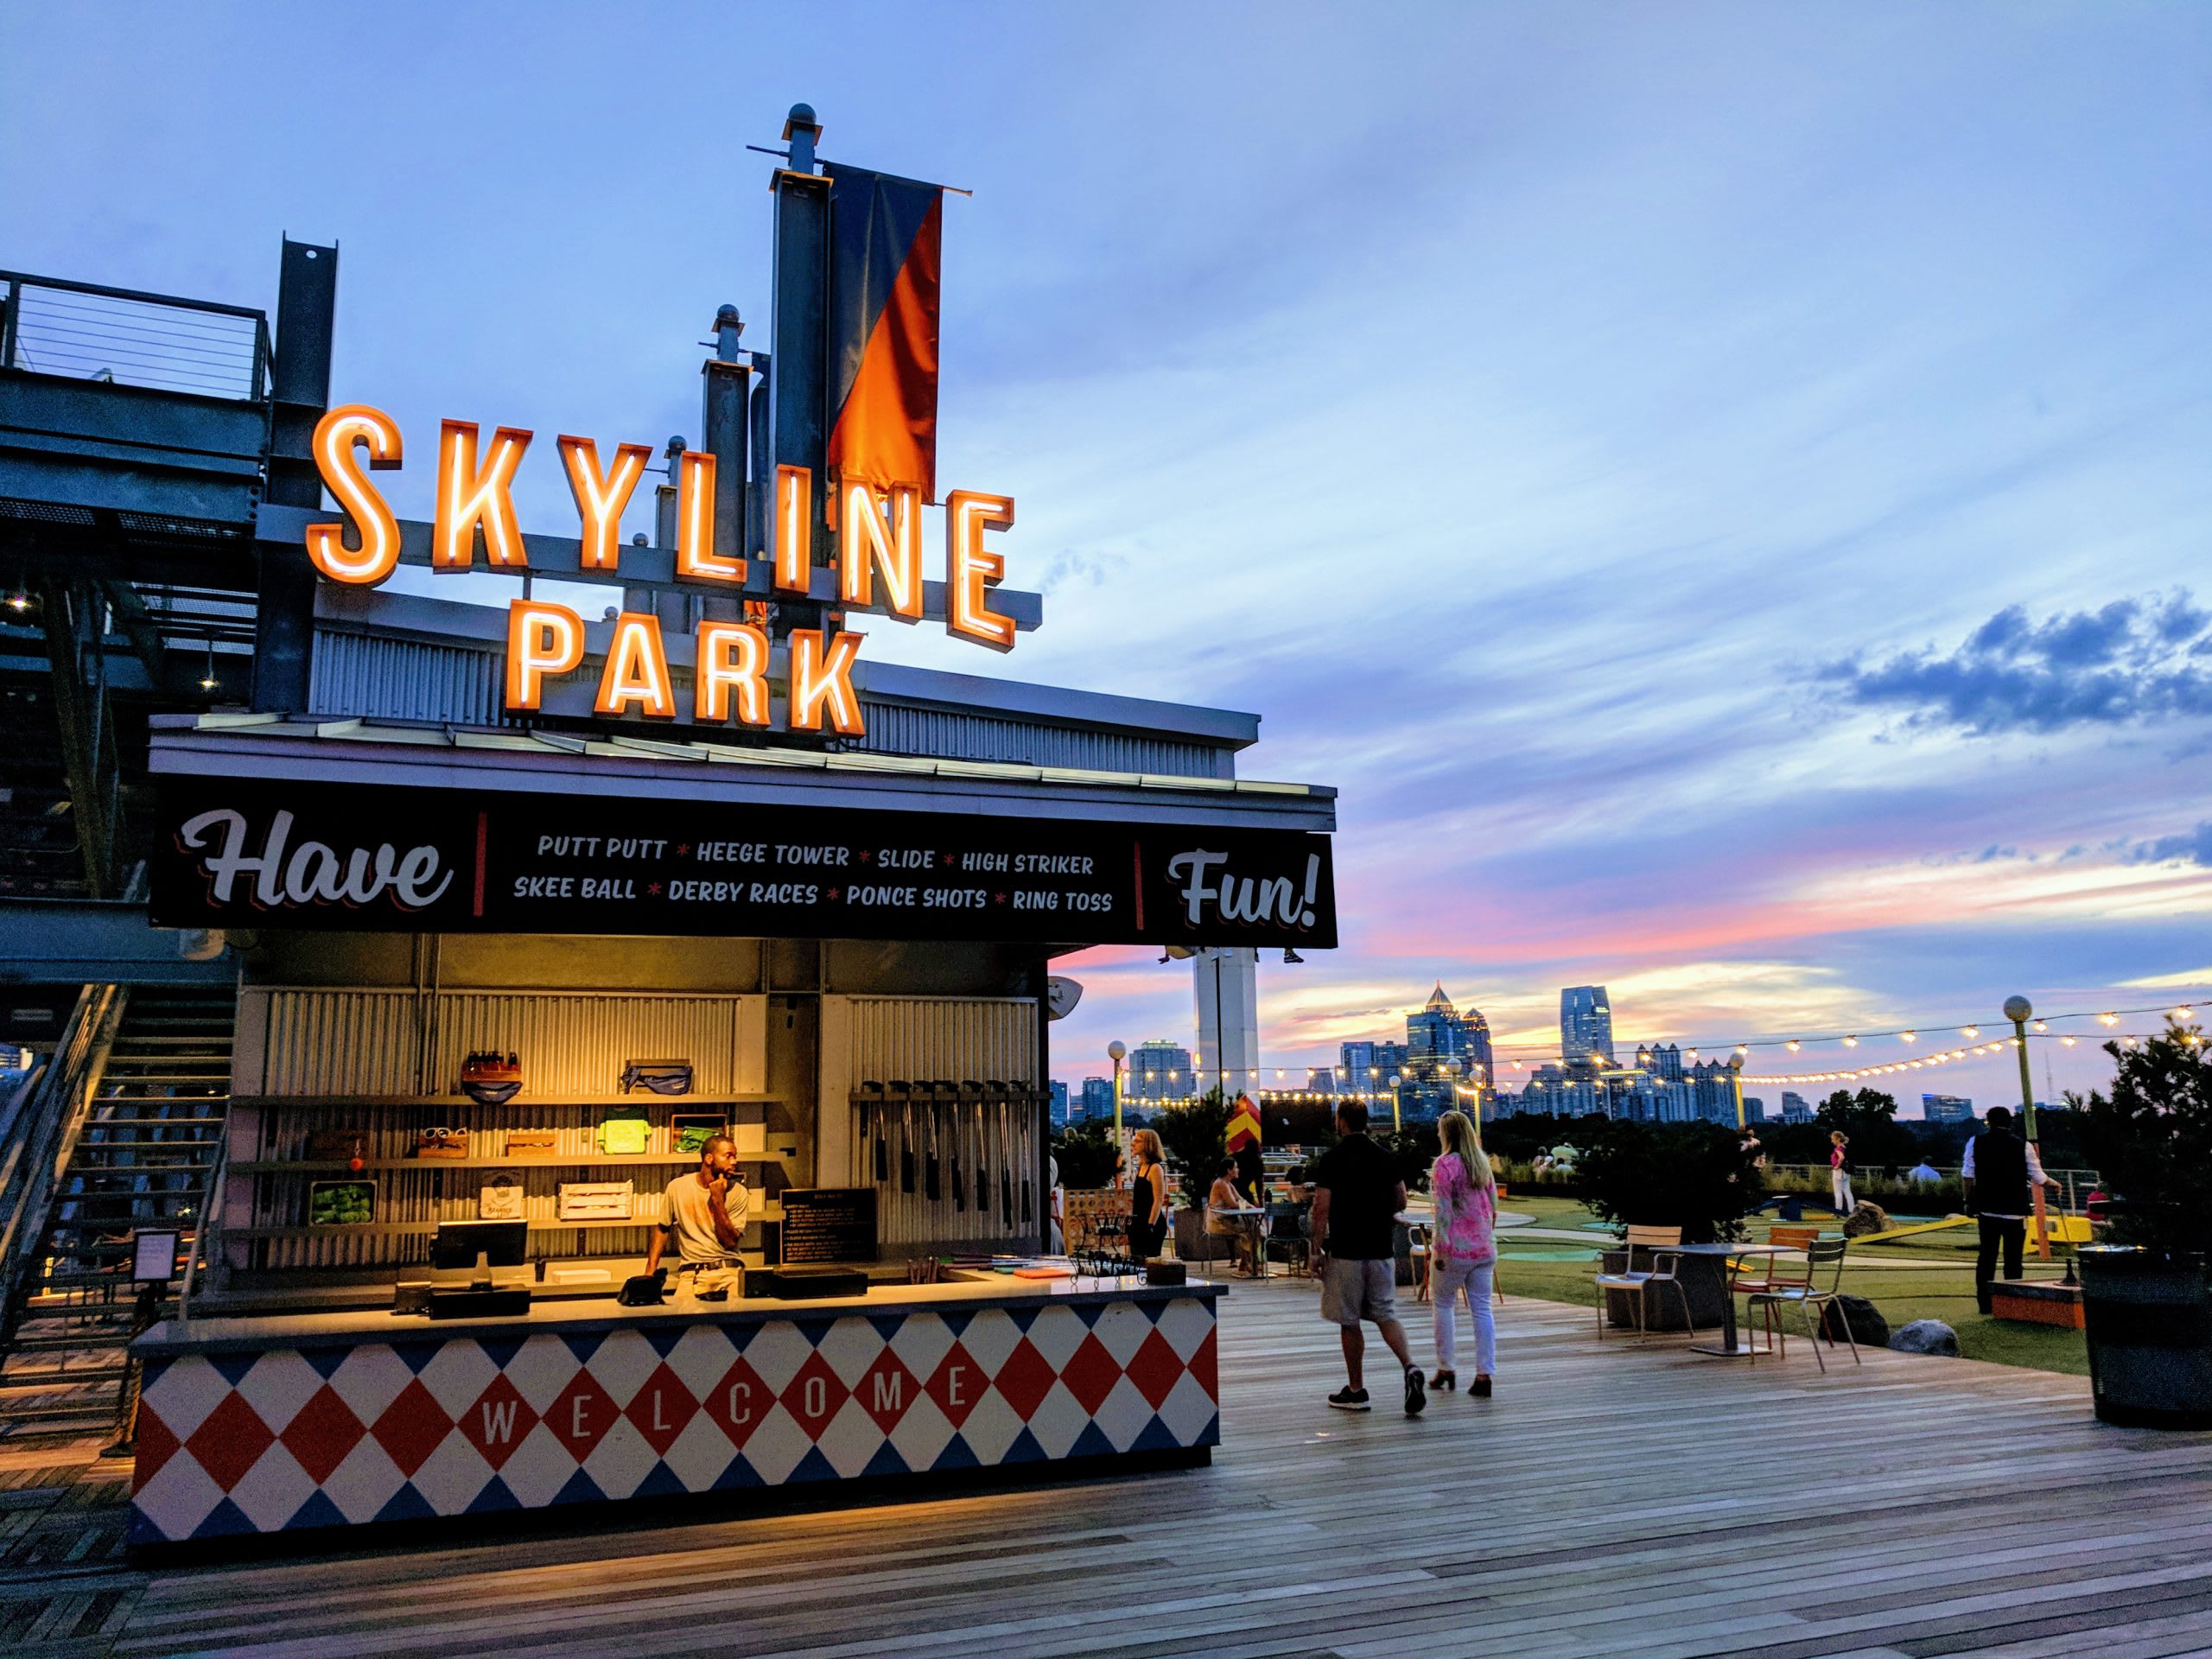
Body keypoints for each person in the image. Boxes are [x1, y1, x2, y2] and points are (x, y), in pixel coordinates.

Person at [1310, 1101, 1426, 1416]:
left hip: (1346, 1252)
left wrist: (1315, 1250)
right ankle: (1410, 1366)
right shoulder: (1385, 1157)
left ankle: (1357, 1390)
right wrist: (1380, 1214)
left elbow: (1321, 1209)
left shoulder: (1332, 1159)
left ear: (1342, 1121)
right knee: (1386, 1314)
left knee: (1349, 1321)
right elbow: (1401, 1198)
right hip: (1381, 1250)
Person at [1427, 1110, 1497, 1397]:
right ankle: (1484, 1374)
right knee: (1482, 1309)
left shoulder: (1445, 1165)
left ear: (1447, 1134)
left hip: (1454, 1248)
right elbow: (1493, 1206)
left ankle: (1446, 1367)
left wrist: (1440, 1249)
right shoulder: (1482, 1163)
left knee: (1443, 1305)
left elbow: (1443, 1211)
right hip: (1483, 1247)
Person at [1962, 1106, 2059, 1315]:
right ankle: (2011, 1304)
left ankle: (1985, 1304)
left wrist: (1969, 1201)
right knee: (2013, 1259)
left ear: (1988, 1121)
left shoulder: (1975, 1142)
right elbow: (2038, 1176)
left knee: (1987, 1258)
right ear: (2010, 1122)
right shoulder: (2023, 1145)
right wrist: (2053, 1184)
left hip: (1987, 1209)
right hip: (2015, 1209)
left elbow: (1968, 1175)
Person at [645, 1134, 748, 1280]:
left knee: (734, 1301)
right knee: (682, 1302)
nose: (734, 1162)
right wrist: (649, 1272)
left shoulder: (738, 1192)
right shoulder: (678, 1187)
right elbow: (662, 1228)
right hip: (692, 1272)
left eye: (735, 1157)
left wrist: (718, 1200)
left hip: (728, 1269)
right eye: (728, 1156)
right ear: (709, 1159)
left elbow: (729, 1241)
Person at [1205, 1155, 1262, 1275]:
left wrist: (1249, 1206)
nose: (1238, 1170)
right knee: (1250, 1230)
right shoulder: (1221, 1184)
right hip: (1218, 1222)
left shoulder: (1228, 1184)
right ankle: (1252, 1262)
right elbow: (1233, 1203)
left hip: (1227, 1219)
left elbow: (1240, 1199)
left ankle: (1248, 1262)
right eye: (1236, 1168)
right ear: (1229, 1170)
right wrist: (1249, 1206)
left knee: (1253, 1227)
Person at [1127, 1128, 1168, 1260]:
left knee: (1150, 1263)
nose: (1134, 1144)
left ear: (1148, 1144)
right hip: (1138, 1222)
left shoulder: (1155, 1168)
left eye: (1138, 1141)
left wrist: (1150, 1225)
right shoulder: (1141, 1168)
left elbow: (1158, 1199)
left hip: (1150, 1223)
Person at [1828, 1130, 1854, 1216]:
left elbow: (1841, 1158)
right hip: (1846, 1172)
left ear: (1838, 1139)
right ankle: (1851, 1210)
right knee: (1847, 1191)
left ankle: (1838, 1211)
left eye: (1833, 1139)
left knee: (1838, 1192)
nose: (1832, 1141)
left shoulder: (1838, 1149)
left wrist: (1837, 1166)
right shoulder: (1845, 1147)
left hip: (1839, 1172)